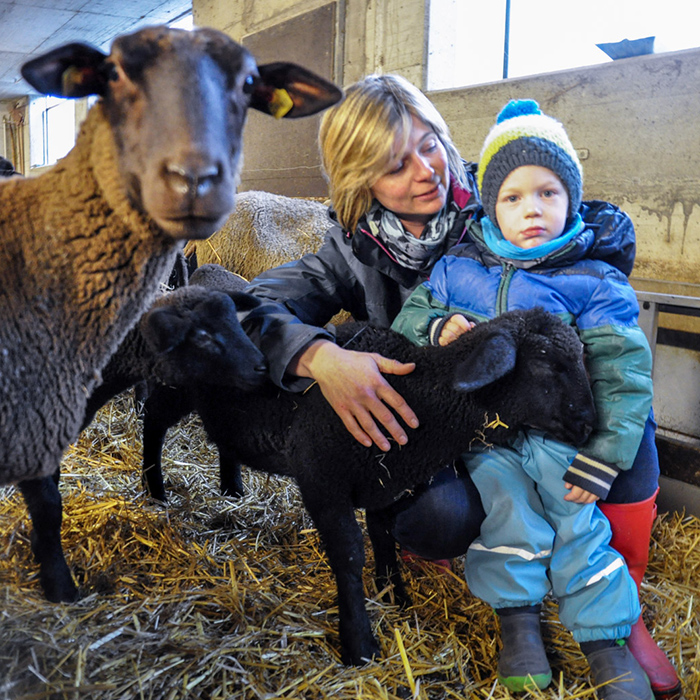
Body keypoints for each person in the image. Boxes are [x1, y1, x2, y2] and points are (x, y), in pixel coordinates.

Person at [239, 79, 679, 697]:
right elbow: (256, 304)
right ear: (360, 181)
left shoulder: (500, 191)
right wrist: (319, 356)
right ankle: (509, 598)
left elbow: (573, 214)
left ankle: (620, 609)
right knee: (440, 517)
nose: (426, 172)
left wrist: (589, 262)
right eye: (395, 165)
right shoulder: (349, 251)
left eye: (430, 145)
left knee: (624, 424)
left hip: (539, 402)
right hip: (455, 427)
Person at [391, 99, 665, 698]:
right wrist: (439, 330)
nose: (531, 210)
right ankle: (517, 623)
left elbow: (624, 373)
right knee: (505, 518)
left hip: (561, 436)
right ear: (491, 204)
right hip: (488, 436)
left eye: (547, 192)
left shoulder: (593, 278)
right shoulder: (459, 265)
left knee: (579, 527)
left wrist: (604, 454)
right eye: (512, 197)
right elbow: (412, 318)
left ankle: (606, 643)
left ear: (571, 198)